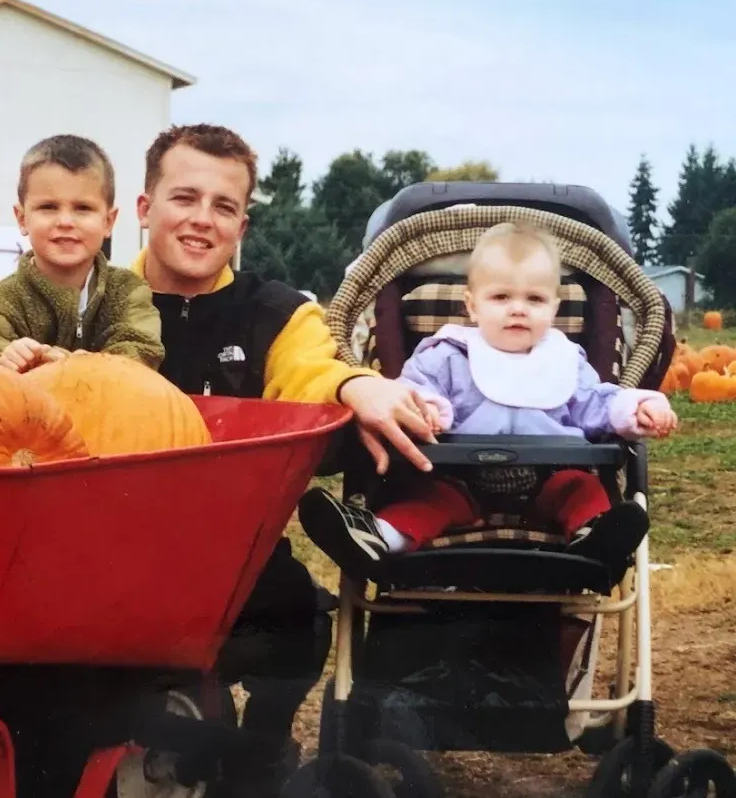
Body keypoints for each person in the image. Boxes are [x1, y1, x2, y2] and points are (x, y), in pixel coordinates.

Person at [129, 123, 439, 796]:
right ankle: (167, 735)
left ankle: (261, 746)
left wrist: (355, 385)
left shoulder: (277, 313)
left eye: (224, 206)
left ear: (242, 225)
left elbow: (310, 372)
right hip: (113, 553)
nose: (203, 219)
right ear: (145, 208)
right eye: (184, 198)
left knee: (299, 618)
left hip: (232, 556)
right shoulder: (99, 304)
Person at [300, 221, 678, 584]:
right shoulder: (445, 355)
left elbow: (595, 403)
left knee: (581, 489)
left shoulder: (566, 362)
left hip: (550, 481)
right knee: (425, 500)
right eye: (501, 297)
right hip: (456, 480)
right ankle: (378, 537)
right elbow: (410, 391)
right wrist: (424, 410)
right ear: (472, 305)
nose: (518, 309)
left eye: (534, 299)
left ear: (555, 307)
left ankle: (596, 535)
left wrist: (635, 408)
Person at [0, 133, 163, 371]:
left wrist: (79, 366)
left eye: (83, 208)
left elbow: (140, 351)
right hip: (23, 395)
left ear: (108, 222)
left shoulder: (128, 291)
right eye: (48, 207)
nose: (66, 221)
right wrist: (4, 361)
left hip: (105, 393)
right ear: (22, 219)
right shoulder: (3, 303)